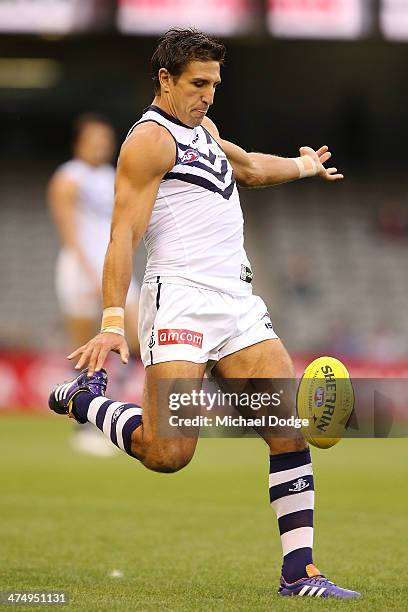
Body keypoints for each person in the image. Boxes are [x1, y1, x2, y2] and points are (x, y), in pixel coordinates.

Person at [49, 29, 359, 598]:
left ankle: (301, 573)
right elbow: (124, 234)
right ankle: (86, 400)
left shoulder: (206, 130)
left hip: (237, 304)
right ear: (165, 80)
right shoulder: (149, 141)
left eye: (215, 83)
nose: (209, 94)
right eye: (198, 83)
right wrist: (114, 319)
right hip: (182, 302)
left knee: (287, 429)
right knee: (169, 455)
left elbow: (247, 169)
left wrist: (302, 166)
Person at [48, 113, 140, 456]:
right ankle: (84, 426)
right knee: (87, 349)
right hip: (81, 268)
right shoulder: (68, 177)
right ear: (79, 141)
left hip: (114, 269)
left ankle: (107, 406)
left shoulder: (111, 176)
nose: (102, 144)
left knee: (137, 336)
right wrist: (88, 272)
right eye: (95, 138)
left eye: (105, 138)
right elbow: (69, 230)